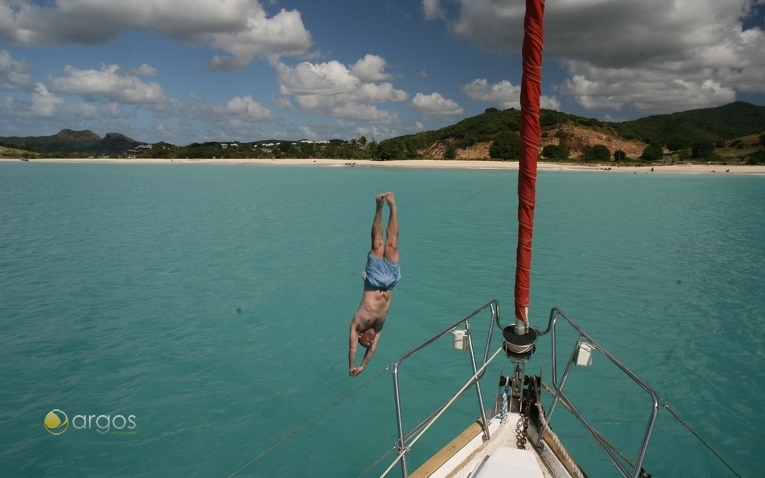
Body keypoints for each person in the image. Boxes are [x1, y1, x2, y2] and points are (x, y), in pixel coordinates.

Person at [349, 192, 401, 377]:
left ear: (360, 336)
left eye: (365, 342)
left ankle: (379, 207)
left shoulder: (357, 324)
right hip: (391, 281)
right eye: (370, 344)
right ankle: (393, 206)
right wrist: (362, 367)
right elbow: (371, 351)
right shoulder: (378, 327)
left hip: (374, 279)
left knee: (378, 243)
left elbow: (353, 349)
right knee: (392, 243)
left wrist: (351, 365)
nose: (370, 343)